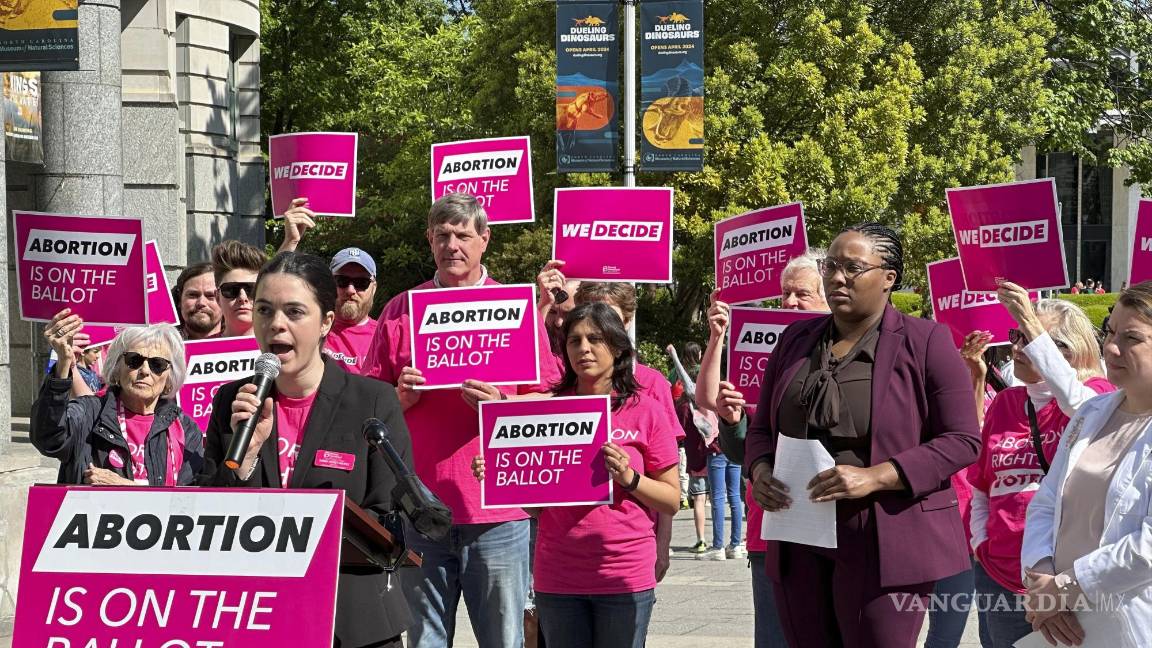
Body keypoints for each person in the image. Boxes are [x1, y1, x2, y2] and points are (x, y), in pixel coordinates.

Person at [744, 223, 980, 647]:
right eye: (830, 265)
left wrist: (878, 475)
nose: (836, 277)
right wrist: (760, 470)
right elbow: (761, 428)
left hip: (883, 540)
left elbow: (962, 439)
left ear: (889, 277)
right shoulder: (794, 340)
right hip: (798, 535)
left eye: (852, 268)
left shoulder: (927, 341)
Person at [362, 193, 561, 648]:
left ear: (484, 240)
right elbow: (367, 409)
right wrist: (399, 400)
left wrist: (501, 405)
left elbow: (550, 403)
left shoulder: (517, 309)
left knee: (503, 640)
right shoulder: (400, 310)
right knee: (425, 641)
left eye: (463, 235)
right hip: (419, 509)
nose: (453, 245)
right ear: (429, 241)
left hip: (499, 512)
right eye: (442, 236)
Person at [201, 251, 413, 647]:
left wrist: (304, 529)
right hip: (256, 616)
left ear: (325, 323)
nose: (275, 325)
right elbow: (209, 515)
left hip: (351, 621)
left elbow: (390, 518)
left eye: (294, 312)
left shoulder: (373, 402)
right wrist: (243, 465)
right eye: (264, 310)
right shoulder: (233, 400)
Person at [471, 303, 681, 647]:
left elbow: (672, 500)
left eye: (594, 338)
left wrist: (630, 478)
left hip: (623, 573)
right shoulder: (548, 410)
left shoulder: (646, 411)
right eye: (574, 340)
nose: (583, 348)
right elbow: (539, 510)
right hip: (558, 577)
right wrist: (501, 478)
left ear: (617, 345)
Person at [963, 284, 1113, 648]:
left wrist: (1032, 323)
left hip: (1064, 579)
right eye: (1016, 335)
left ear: (1070, 351)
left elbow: (1080, 407)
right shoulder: (1004, 403)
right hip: (999, 574)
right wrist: (981, 541)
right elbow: (982, 484)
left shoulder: (1098, 397)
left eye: (1028, 338)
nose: (1016, 347)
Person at [695, 250, 829, 648]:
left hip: (831, 527)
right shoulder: (765, 347)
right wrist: (718, 337)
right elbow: (713, 406)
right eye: (784, 294)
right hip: (770, 532)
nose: (789, 302)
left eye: (801, 294)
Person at [1021, 282, 1152, 647]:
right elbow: (1047, 503)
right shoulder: (1092, 413)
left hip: (1133, 626)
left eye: (1132, 338)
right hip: (1063, 620)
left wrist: (1064, 588)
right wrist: (1043, 579)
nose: (1111, 348)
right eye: (1110, 331)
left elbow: (1148, 547)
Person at [574, 281, 683, 579]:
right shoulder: (564, 387)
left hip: (628, 552)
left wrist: (662, 547)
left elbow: (666, 474)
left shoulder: (652, 385)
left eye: (609, 317)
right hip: (564, 558)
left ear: (626, 321)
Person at [31, 309, 203, 486]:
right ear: (116, 368)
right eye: (134, 360)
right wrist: (62, 366)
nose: (144, 371)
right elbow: (50, 439)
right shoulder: (90, 412)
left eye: (157, 364)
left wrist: (126, 488)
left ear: (170, 378)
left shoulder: (185, 428)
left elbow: (189, 502)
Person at [323, 247, 379, 374]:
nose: (350, 290)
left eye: (361, 282)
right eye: (341, 281)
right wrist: (290, 242)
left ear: (373, 288)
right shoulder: (311, 328)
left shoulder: (385, 337)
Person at [211, 239, 265, 338]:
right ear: (217, 297)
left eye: (252, 289)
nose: (242, 297)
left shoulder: (282, 348)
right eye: (231, 289)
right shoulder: (197, 351)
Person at [173, 262, 223, 339]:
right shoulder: (161, 347)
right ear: (180, 300)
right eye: (193, 295)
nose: (201, 303)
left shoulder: (242, 346)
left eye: (210, 296)